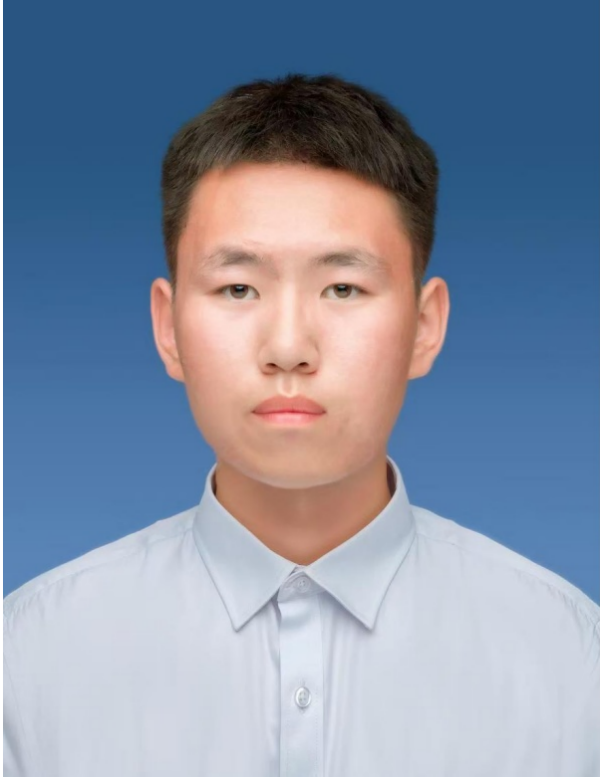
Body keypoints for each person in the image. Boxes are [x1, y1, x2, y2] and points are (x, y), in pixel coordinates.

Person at [4, 73, 598, 777]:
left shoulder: (568, 656)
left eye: (342, 287)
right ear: (168, 327)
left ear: (424, 326)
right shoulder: (31, 656)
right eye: (238, 288)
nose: (288, 347)